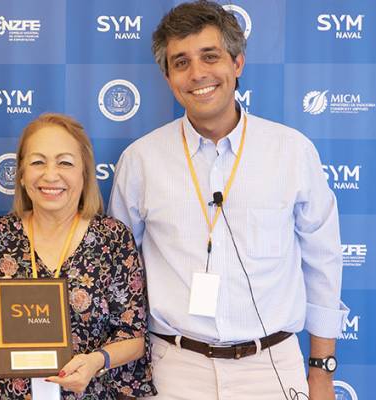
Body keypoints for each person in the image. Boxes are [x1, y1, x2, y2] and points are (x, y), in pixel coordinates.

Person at [108, 2, 347, 399]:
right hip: (172, 369)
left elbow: (323, 261)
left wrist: (322, 370)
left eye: (210, 56)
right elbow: (119, 273)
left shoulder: (292, 151)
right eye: (181, 62)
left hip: (271, 367)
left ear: (237, 63)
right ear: (168, 78)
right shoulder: (140, 160)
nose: (197, 74)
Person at [0, 113, 156, 399]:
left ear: (84, 173)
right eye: (37, 162)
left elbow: (134, 337)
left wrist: (97, 361)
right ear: (21, 174)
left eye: (65, 162)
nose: (51, 175)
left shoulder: (113, 239)